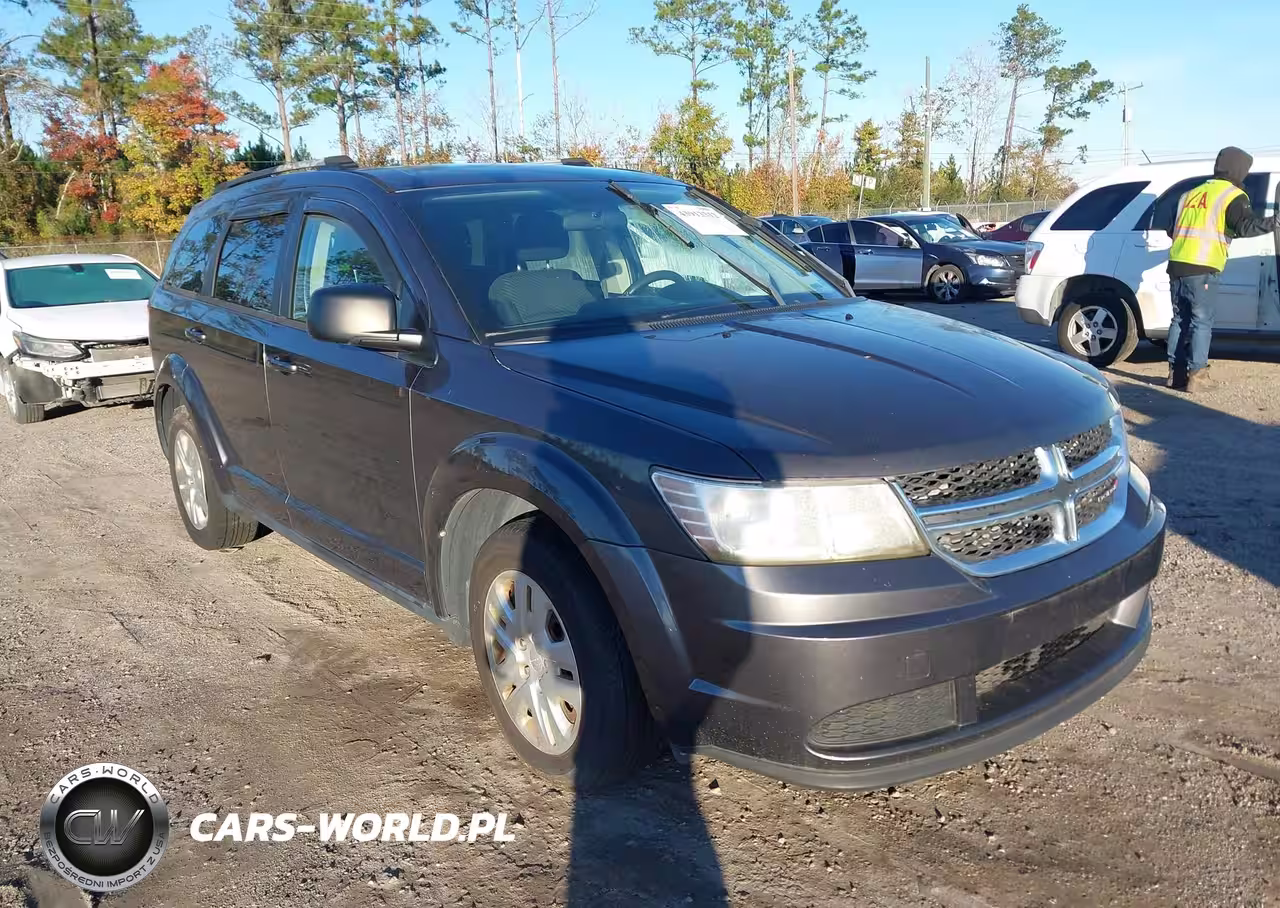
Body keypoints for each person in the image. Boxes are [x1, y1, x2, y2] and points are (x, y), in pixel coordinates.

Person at [1165, 146, 1278, 392]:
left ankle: (1176, 375)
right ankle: (1198, 377)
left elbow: (1169, 228)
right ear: (1239, 169)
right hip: (1203, 265)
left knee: (1179, 319)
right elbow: (1246, 227)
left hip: (1176, 265)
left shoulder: (1190, 193)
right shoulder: (1232, 194)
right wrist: (1275, 222)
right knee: (1201, 321)